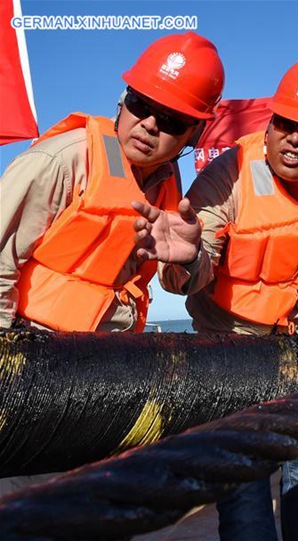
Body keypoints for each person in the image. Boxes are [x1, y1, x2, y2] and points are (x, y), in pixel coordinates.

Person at [132, 53, 298, 541]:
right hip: (232, 344)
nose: (294, 137)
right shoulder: (229, 176)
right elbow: (185, 277)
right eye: (285, 122)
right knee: (242, 489)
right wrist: (181, 260)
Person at [0, 31, 224, 496]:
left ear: (193, 134)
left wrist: (192, 259)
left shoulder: (168, 186)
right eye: (141, 105)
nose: (148, 125)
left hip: (107, 372)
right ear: (122, 100)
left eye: (172, 120)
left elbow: (185, 282)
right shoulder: (62, 161)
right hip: (33, 362)